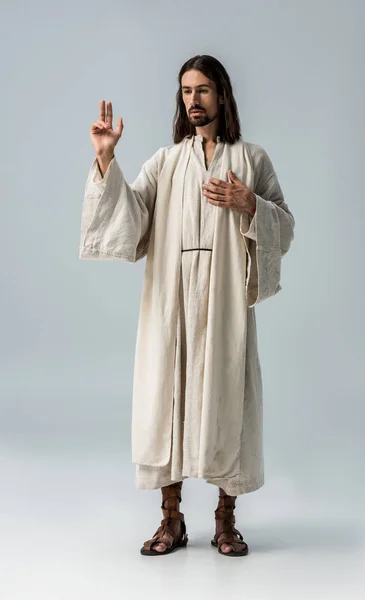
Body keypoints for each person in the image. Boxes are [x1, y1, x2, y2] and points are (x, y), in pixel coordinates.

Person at [79, 54, 295, 557]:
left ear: (221, 94)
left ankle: (225, 520)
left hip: (223, 303)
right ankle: (171, 520)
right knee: (166, 397)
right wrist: (107, 159)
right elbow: (131, 219)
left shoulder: (251, 160)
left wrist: (249, 205)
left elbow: (284, 226)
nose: (192, 100)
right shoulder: (167, 162)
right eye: (185, 91)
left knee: (228, 391)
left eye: (201, 90)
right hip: (170, 300)